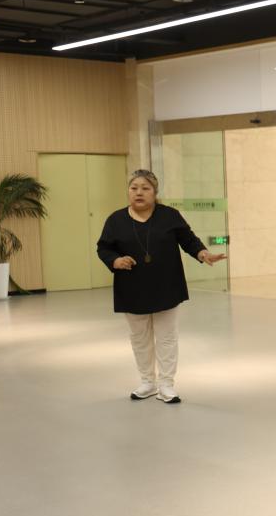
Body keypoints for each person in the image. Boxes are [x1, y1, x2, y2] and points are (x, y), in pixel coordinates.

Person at [96, 169, 226, 404]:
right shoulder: (115, 220)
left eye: (145, 188)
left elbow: (188, 239)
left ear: (155, 192)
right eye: (134, 188)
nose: (139, 192)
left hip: (166, 285)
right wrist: (115, 260)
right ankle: (147, 382)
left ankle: (166, 385)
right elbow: (104, 248)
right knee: (140, 338)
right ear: (128, 191)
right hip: (131, 287)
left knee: (166, 338)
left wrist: (202, 253)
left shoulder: (169, 215)